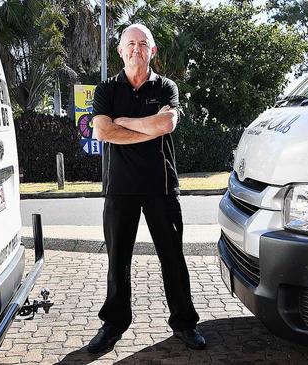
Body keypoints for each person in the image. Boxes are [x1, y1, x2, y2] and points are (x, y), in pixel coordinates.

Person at [87, 23, 205, 353]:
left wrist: (122, 122)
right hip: (120, 188)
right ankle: (113, 325)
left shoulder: (166, 87)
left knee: (173, 259)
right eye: (130, 44)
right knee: (118, 261)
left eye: (143, 43)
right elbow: (102, 132)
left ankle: (185, 323)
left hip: (161, 186)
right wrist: (145, 128)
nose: (136, 48)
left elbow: (167, 123)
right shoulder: (106, 90)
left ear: (152, 51)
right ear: (120, 51)